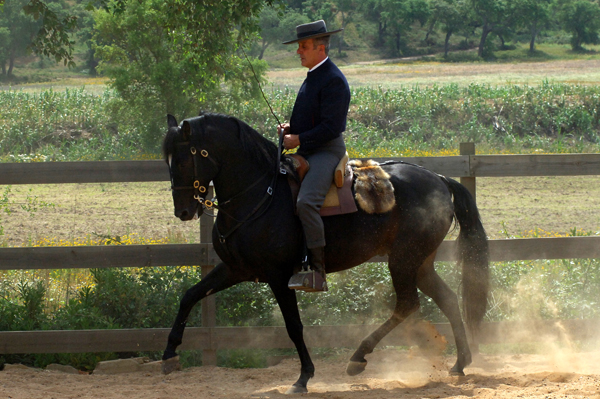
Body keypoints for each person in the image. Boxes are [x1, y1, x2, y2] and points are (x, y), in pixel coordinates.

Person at [279, 20, 351, 292]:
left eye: (304, 46)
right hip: (308, 148)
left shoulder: (333, 80)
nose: (299, 51)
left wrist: (298, 139)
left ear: (320, 48)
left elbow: (332, 127)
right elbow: (312, 119)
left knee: (307, 202)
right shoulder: (312, 76)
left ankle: (318, 271)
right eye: (299, 46)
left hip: (326, 151)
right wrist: (291, 128)